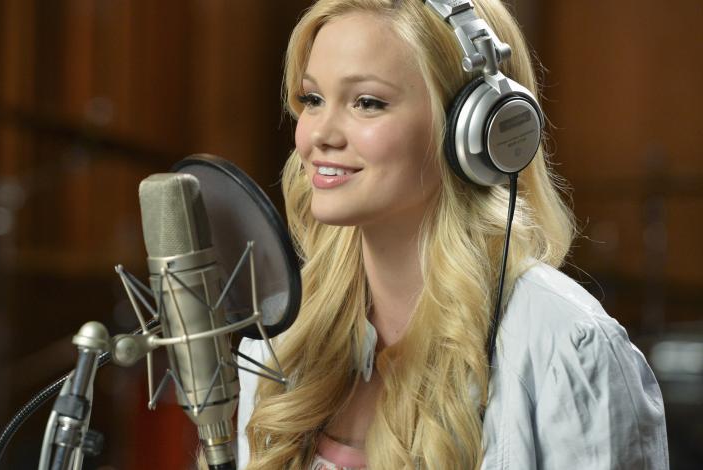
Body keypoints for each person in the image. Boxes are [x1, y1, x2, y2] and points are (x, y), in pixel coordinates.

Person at [235, 0, 668, 468]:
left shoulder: (567, 348)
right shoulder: (279, 340)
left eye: (367, 103)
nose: (319, 135)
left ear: (476, 127)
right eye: (313, 99)